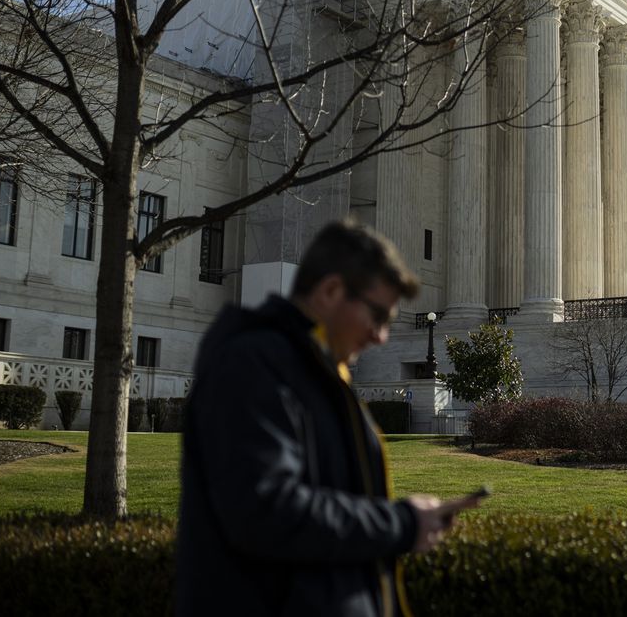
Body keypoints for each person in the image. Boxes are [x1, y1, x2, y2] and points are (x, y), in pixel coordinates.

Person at [177, 219, 481, 617]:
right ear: (331, 290)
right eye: (378, 316)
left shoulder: (316, 371)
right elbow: (266, 512)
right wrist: (400, 524)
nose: (381, 337)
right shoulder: (252, 364)